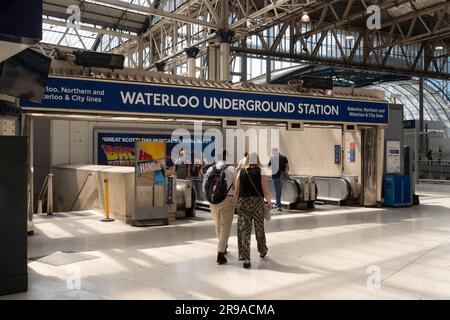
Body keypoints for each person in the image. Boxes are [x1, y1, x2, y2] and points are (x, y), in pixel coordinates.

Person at [235, 152, 272, 269]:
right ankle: (262, 250)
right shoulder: (261, 172)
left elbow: (237, 191)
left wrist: (236, 206)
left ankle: (246, 259)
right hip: (257, 204)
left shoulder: (241, 172)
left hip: (243, 203)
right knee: (259, 228)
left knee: (245, 230)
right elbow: (265, 191)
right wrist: (269, 202)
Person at [202, 150, 236, 265]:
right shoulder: (232, 169)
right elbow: (237, 187)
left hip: (213, 200)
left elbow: (204, 185)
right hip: (228, 199)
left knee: (217, 224)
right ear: (226, 157)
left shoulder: (211, 169)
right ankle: (220, 253)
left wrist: (210, 197)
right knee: (225, 226)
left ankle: (222, 245)